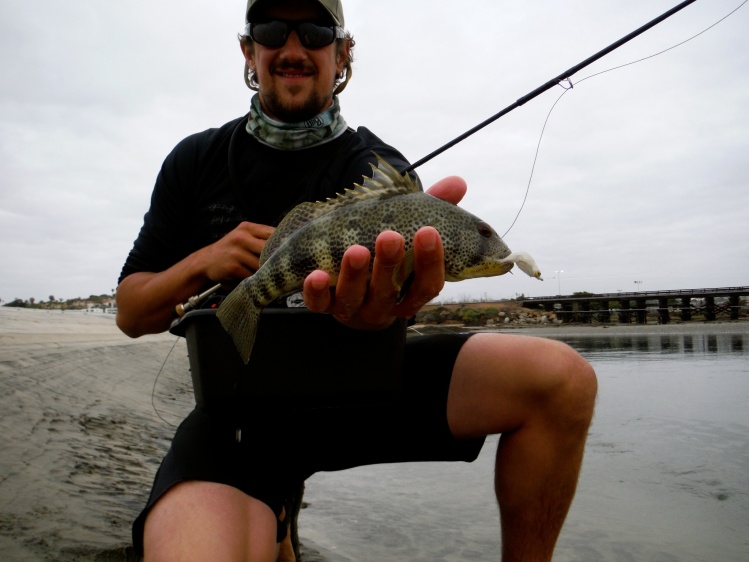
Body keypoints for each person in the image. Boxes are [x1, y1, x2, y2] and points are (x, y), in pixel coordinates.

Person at [116, 0, 598, 560]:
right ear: (249, 49)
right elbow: (130, 312)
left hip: (365, 391)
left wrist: (382, 311)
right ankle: (273, 510)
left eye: (316, 31)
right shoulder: (194, 161)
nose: (294, 48)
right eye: (273, 29)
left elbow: (404, 306)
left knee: (563, 380)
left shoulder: (382, 169)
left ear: (343, 52)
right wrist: (205, 260)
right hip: (243, 411)